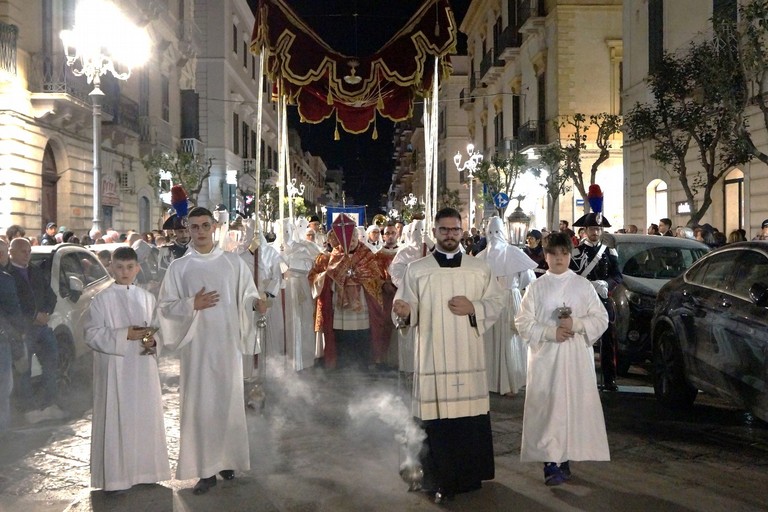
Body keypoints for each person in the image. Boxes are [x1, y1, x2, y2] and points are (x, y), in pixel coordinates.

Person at [392, 207, 505, 501]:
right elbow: (406, 307)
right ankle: (437, 479)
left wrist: (475, 308)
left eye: (455, 229)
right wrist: (405, 312)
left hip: (468, 356)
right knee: (437, 422)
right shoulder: (417, 270)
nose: (450, 235)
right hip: (432, 357)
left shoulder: (478, 269)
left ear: (462, 231)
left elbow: (495, 302)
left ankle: (468, 477)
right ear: (435, 233)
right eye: (444, 230)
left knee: (467, 421)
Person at [157, 206, 264, 495]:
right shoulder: (180, 268)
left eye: (205, 225)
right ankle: (204, 469)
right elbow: (165, 309)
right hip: (197, 349)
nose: (201, 232)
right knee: (201, 406)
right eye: (195, 227)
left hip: (226, 346)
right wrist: (192, 304)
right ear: (187, 229)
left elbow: (248, 295)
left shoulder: (233, 263)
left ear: (214, 226)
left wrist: (256, 304)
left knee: (227, 402)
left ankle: (226, 460)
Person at [515, 231, 610, 486]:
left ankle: (564, 455)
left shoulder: (582, 286)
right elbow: (523, 322)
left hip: (576, 357)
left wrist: (576, 324)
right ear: (545, 256)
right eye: (554, 254)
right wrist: (549, 332)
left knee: (572, 406)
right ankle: (550, 461)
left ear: (570, 255)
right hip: (547, 358)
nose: (559, 259)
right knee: (549, 407)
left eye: (564, 254)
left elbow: (601, 318)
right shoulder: (536, 287)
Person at [84, 246, 170, 492]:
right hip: (115, 368)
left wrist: (154, 342)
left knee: (144, 416)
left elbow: (157, 329)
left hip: (143, 368)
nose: (124, 272)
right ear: (111, 267)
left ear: (137, 268)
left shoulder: (147, 298)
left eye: (129, 267)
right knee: (116, 415)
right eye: (119, 267)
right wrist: (125, 334)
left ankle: (147, 471)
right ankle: (116, 477)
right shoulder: (101, 299)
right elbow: (91, 334)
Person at [309, 214, 387, 370]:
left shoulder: (367, 254)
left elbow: (377, 278)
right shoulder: (331, 257)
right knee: (341, 334)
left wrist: (359, 276)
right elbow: (317, 278)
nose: (350, 241)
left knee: (362, 335)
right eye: (346, 238)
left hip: (362, 303)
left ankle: (363, 365)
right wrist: (333, 276)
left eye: (353, 237)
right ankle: (342, 364)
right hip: (340, 304)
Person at [475, 217, 537, 396]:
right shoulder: (481, 257)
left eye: (497, 232)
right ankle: (491, 381)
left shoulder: (514, 253)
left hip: (510, 299)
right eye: (491, 233)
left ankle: (511, 381)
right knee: (491, 340)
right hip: (490, 301)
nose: (494, 237)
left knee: (510, 340)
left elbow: (528, 280)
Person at [570, 185, 622, 391]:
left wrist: (606, 284)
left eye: (599, 229)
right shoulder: (575, 252)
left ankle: (610, 379)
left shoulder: (609, 251)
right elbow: (570, 276)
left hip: (603, 299)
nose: (595, 232)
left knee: (608, 339)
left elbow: (617, 275)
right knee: (582, 339)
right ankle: (582, 377)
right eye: (592, 229)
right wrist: (586, 284)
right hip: (582, 300)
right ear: (585, 231)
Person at [8, 237, 65, 422]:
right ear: (12, 252)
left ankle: (50, 403)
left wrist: (46, 312)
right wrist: (33, 317)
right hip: (23, 330)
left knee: (51, 362)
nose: (27, 254)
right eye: (23, 251)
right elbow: (11, 305)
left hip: (42, 327)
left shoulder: (35, 271)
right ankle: (29, 409)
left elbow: (50, 295)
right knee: (24, 370)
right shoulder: (7, 274)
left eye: (28, 251)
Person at [0, 239, 25, 432]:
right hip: (3, 339)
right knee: (3, 389)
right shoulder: (5, 279)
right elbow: (13, 311)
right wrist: (19, 335)